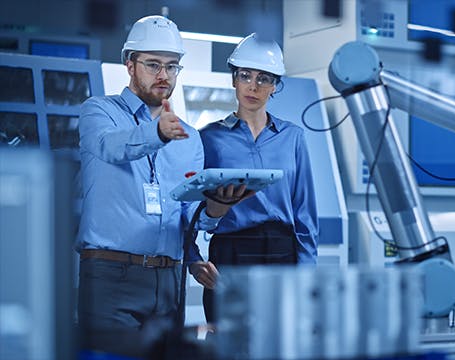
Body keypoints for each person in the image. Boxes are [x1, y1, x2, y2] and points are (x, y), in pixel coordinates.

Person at [75, 15, 242, 334]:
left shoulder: (190, 138)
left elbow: (186, 212)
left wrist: (215, 210)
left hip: (168, 281)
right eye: (153, 64)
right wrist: (158, 133)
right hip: (110, 275)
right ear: (129, 64)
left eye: (172, 66)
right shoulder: (98, 112)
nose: (163, 75)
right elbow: (113, 147)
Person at [199, 33, 319, 323]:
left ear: (275, 85)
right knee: (229, 345)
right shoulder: (208, 138)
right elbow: (194, 212)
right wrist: (194, 258)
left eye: (264, 78)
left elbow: (305, 214)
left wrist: (305, 277)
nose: (253, 86)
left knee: (279, 344)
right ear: (233, 80)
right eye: (245, 76)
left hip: (281, 254)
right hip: (230, 254)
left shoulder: (292, 138)